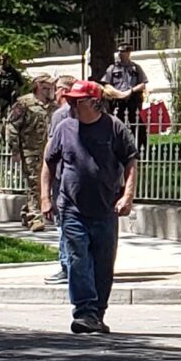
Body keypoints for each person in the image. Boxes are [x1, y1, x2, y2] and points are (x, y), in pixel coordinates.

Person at [43, 81, 138, 334]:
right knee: (77, 259)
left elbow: (130, 162)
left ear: (94, 102)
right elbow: (48, 163)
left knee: (103, 264)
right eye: (71, 100)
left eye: (78, 100)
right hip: (72, 208)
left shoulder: (114, 128)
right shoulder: (64, 128)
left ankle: (97, 313)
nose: (71, 104)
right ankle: (84, 311)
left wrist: (127, 196)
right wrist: (45, 198)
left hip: (106, 209)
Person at [40, 75, 79, 282]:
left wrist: (45, 190)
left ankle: (66, 265)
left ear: (63, 91)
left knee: (64, 221)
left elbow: (51, 148)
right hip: (75, 175)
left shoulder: (60, 115)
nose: (54, 93)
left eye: (56, 89)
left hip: (62, 175)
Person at [7, 75, 56, 231]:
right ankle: (35, 217)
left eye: (51, 87)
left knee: (44, 184)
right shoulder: (24, 103)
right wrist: (14, 150)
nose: (49, 91)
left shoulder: (53, 106)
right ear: (38, 86)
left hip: (48, 151)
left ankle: (28, 210)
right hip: (30, 150)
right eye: (46, 87)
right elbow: (12, 126)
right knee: (35, 183)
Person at [98, 43, 148, 126]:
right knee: (118, 124)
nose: (119, 54)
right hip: (118, 101)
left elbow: (143, 84)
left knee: (137, 126)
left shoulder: (136, 67)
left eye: (122, 51)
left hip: (132, 100)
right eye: (118, 51)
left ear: (129, 53)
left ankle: (137, 139)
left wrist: (130, 91)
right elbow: (106, 85)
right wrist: (119, 94)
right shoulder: (112, 68)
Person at [0, 53, 24, 125]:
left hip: (8, 99)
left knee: (7, 119)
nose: (3, 62)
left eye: (5, 60)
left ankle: (4, 135)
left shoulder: (14, 71)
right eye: (1, 60)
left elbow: (21, 84)